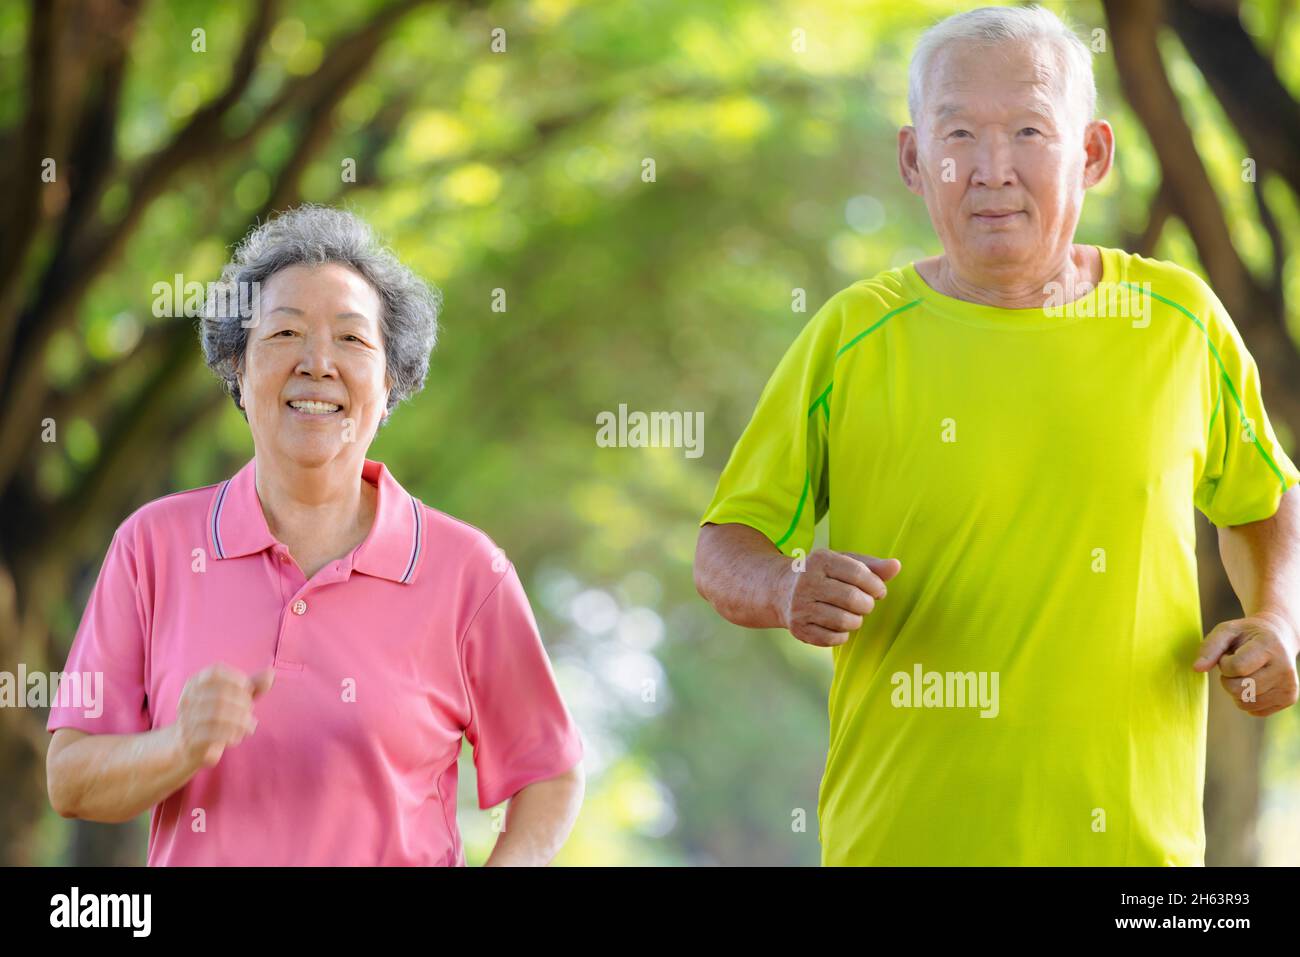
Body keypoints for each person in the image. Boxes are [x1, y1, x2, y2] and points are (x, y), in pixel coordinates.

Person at [694, 5, 1300, 865]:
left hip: (1138, 860)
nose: (991, 170)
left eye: (1027, 130)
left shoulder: (1179, 320)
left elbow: (1265, 498)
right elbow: (725, 546)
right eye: (958, 134)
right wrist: (786, 584)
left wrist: (1277, 618)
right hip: (898, 844)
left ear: (1089, 153)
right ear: (913, 158)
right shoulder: (851, 335)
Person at [46, 204, 585, 866]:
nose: (317, 363)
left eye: (353, 340)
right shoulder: (152, 546)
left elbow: (549, 770)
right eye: (284, 333)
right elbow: (70, 777)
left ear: (390, 384)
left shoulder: (466, 568)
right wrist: (177, 744)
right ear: (238, 372)